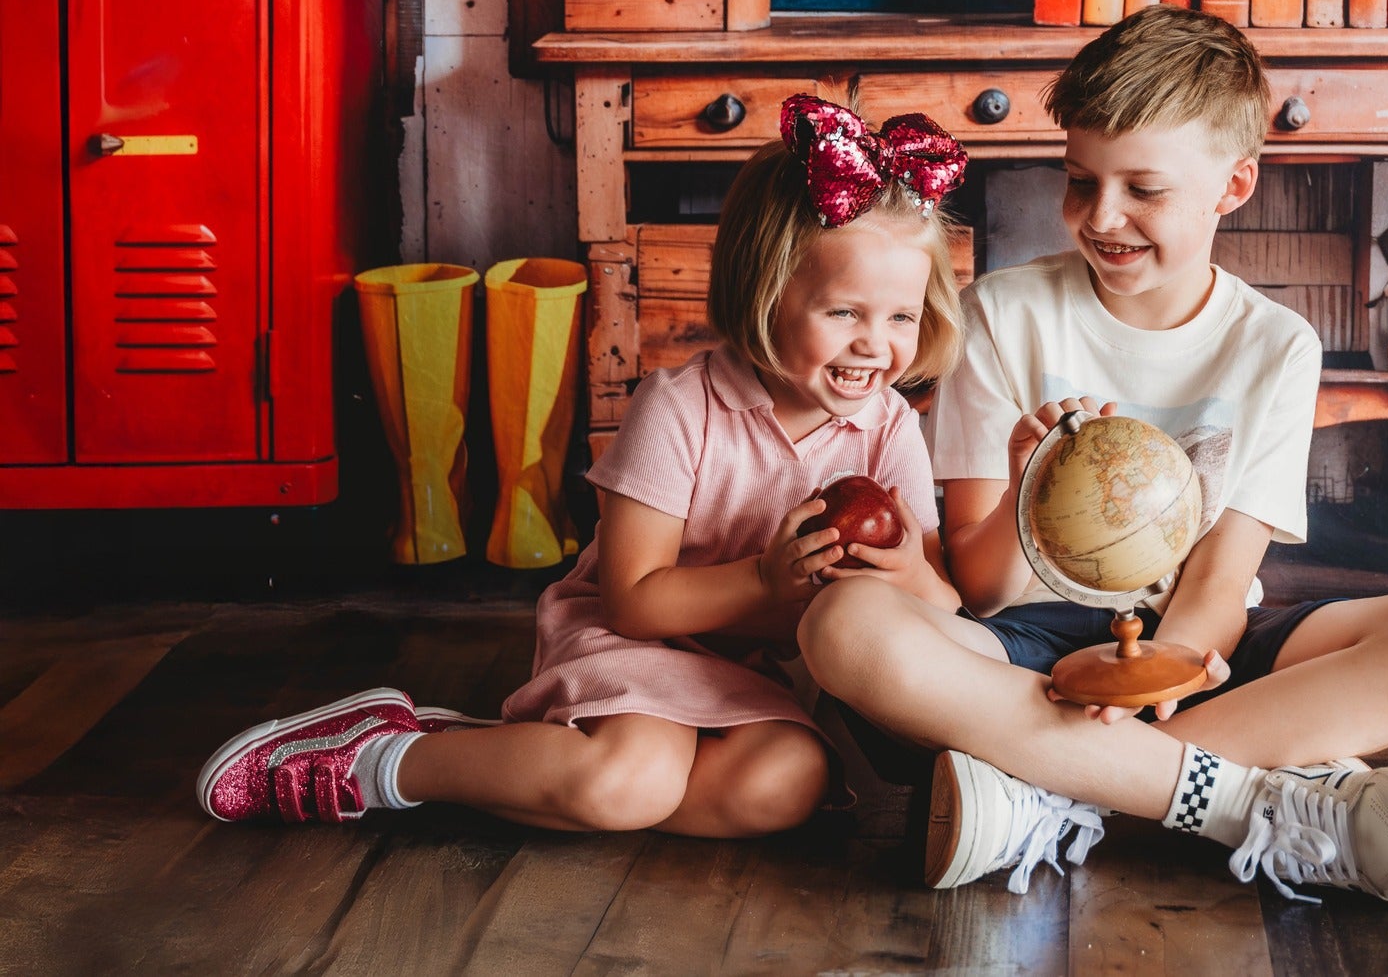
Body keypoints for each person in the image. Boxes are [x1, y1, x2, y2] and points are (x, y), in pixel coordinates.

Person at [798, 5, 1388, 903]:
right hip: (1020, 653)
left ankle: (1050, 799)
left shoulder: (1277, 345)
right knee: (842, 624)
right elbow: (980, 588)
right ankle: (1243, 802)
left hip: (1197, 657)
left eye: (1144, 189)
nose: (1103, 216)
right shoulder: (1001, 316)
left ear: (1233, 186)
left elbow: (1218, 584)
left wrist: (1158, 683)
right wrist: (1026, 484)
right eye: (1080, 181)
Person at [197, 95, 972, 839]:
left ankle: (547, 770)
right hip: (635, 642)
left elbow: (942, 603)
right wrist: (762, 583)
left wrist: (905, 570)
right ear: (766, 296)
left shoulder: (889, 429)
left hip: (750, 675)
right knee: (630, 776)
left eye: (900, 315)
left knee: (788, 785)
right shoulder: (683, 407)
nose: (877, 343)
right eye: (845, 312)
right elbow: (633, 601)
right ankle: (389, 757)